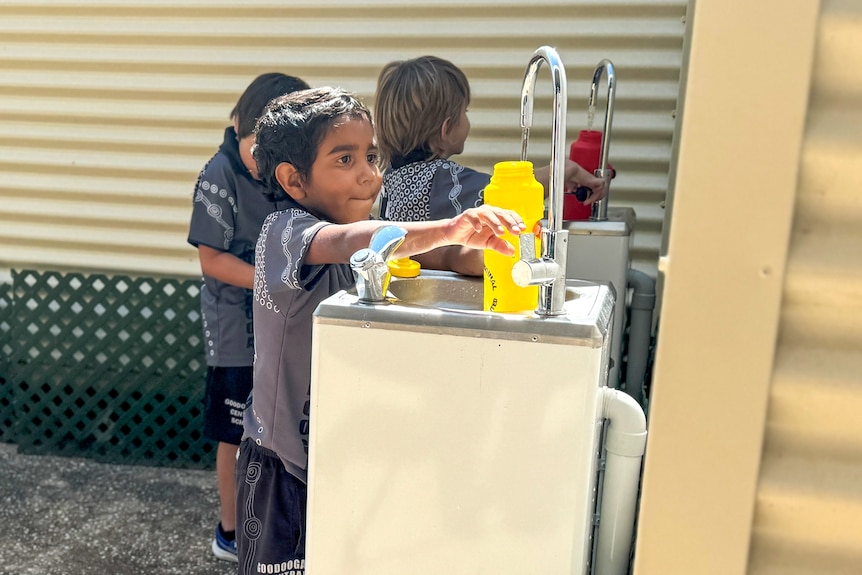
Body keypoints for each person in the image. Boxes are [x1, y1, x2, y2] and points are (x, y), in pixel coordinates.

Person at [235, 86, 528, 574]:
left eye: (371, 155)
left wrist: (490, 248)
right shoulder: (284, 232)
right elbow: (357, 241)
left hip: (341, 456)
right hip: (281, 463)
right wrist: (451, 226)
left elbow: (439, 254)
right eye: (344, 159)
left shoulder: (371, 230)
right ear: (293, 180)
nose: (369, 174)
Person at [186, 72, 310, 563]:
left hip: (282, 327)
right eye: (256, 145)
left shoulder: (286, 173)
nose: (262, 161)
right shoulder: (218, 175)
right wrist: (271, 279)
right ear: (237, 124)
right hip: (236, 332)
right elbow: (212, 260)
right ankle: (230, 532)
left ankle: (272, 524)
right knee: (234, 434)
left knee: (277, 428)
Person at [373, 55, 607, 222]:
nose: (467, 119)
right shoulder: (441, 179)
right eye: (465, 112)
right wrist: (564, 170)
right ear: (446, 129)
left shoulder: (393, 176)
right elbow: (506, 194)